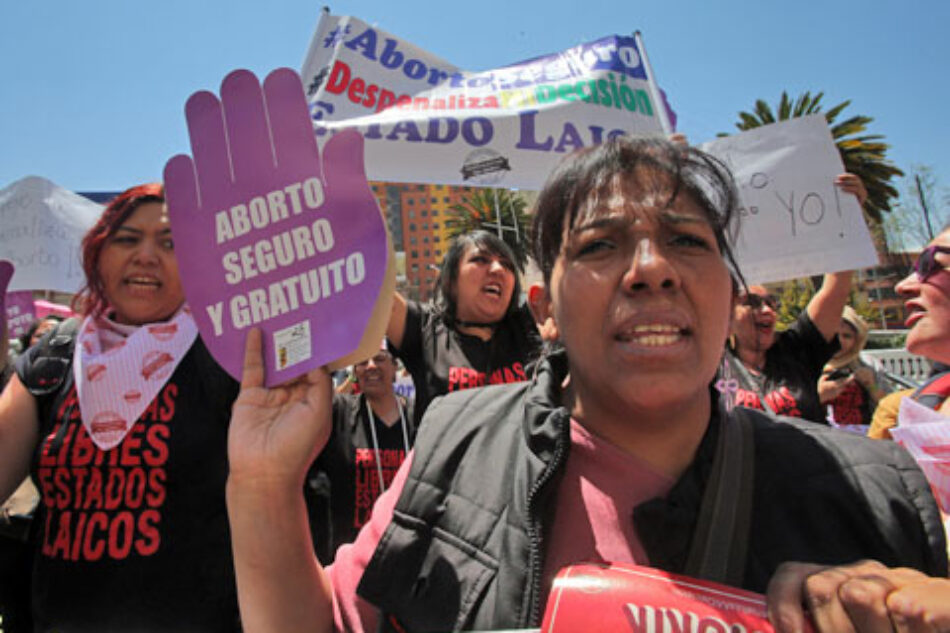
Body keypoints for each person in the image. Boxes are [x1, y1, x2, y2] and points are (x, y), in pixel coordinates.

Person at [225, 138, 946, 633]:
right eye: (600, 245)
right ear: (545, 310)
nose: (651, 268)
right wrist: (261, 482)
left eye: (687, 240)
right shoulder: (452, 449)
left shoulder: (876, 494)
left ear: (727, 295)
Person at [0, 184, 243, 631]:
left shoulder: (231, 356)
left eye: (171, 243)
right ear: (99, 255)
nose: (146, 255)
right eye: (127, 239)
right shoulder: (55, 354)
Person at [724, 174, 864, 424]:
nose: (766, 310)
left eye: (771, 302)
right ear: (726, 312)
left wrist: (850, 216)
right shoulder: (709, 361)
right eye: (752, 303)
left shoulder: (798, 349)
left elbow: (837, 286)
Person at [386, 230, 541, 425]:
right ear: (450, 281)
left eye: (507, 264)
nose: (498, 269)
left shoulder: (528, 327)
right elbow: (371, 289)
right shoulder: (425, 330)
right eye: (480, 260)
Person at [306, 346, 414, 563]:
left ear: (395, 368)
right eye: (362, 362)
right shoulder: (338, 414)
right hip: (352, 558)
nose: (371, 366)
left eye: (380, 359)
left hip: (406, 555)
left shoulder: (418, 417)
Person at [817, 306, 889, 426]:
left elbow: (890, 406)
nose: (839, 341)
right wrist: (819, 395)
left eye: (847, 336)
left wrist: (871, 386)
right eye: (833, 335)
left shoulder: (868, 364)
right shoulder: (804, 364)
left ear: (857, 340)